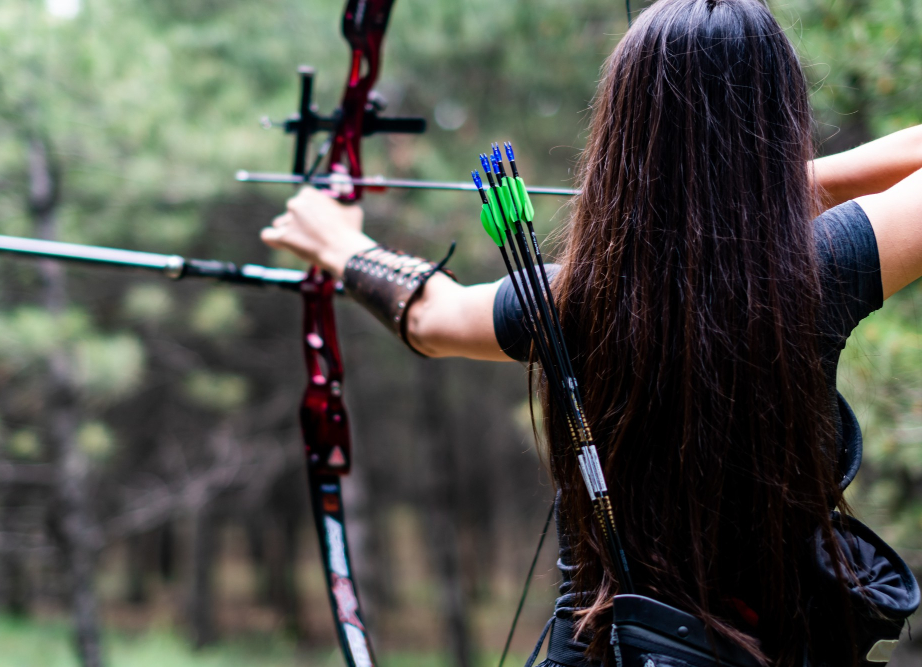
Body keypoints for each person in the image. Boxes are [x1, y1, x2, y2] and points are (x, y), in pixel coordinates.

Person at [262, 0, 922, 663]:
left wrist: (342, 245)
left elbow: (432, 315)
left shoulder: (571, 295)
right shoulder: (822, 267)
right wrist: (753, 188)